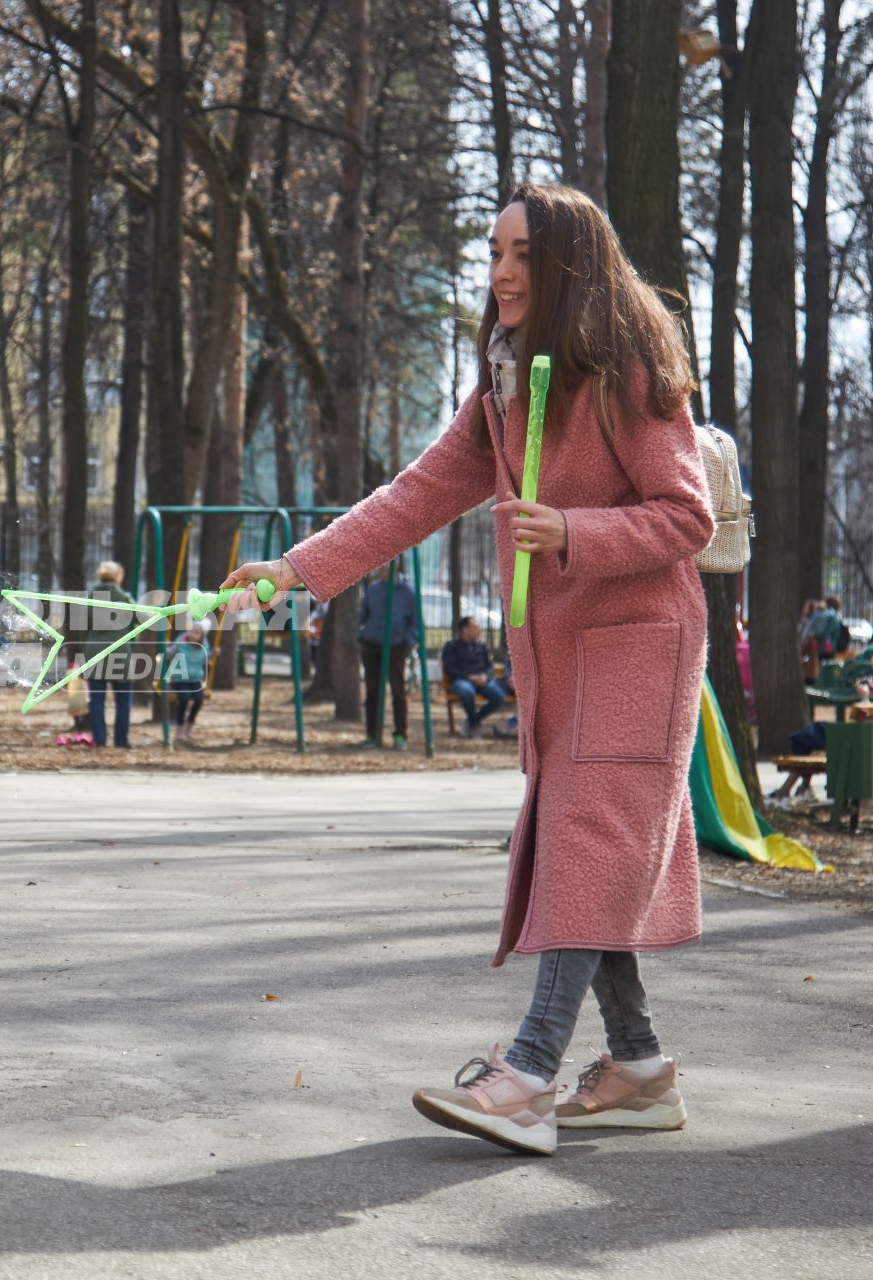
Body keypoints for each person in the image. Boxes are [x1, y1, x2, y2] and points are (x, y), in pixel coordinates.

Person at [226, 184, 714, 1156]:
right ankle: (641, 1068)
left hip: (637, 648)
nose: (500, 270)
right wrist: (297, 569)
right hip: (565, 656)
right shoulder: (503, 381)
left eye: (522, 252)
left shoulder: (626, 366)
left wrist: (571, 528)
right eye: (494, 250)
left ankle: (529, 1073)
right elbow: (414, 496)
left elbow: (687, 514)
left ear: (569, 262)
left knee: (582, 843)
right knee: (590, 852)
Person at [78, 560, 142, 748]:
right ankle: (121, 741)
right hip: (120, 651)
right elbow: (140, 620)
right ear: (118, 578)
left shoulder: (90, 598)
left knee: (97, 700)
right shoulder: (124, 598)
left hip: (94, 652)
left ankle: (100, 739)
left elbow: (82, 628)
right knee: (123, 700)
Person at [356, 568, 417, 748]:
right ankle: (372, 735)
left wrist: (408, 641)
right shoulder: (374, 589)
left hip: (396, 645)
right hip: (372, 643)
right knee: (372, 690)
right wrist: (360, 633)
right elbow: (363, 615)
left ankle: (400, 735)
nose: (383, 569)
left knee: (398, 690)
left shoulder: (407, 592)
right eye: (381, 566)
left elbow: (415, 622)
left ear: (397, 566)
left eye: (387, 565)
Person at [440, 615, 509, 738]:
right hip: (461, 681)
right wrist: (469, 677)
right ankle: (475, 725)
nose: (478, 630)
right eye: (475, 627)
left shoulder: (481, 646)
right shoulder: (452, 646)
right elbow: (450, 668)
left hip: (482, 682)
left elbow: (489, 667)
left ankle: (472, 720)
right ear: (464, 629)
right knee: (467, 692)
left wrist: (485, 677)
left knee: (499, 697)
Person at [163, 620, 211, 740]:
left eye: (196, 633)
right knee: (184, 698)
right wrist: (165, 647)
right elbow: (169, 655)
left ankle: (189, 725)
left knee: (199, 699)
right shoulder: (180, 643)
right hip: (180, 678)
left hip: (195, 679)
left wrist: (214, 653)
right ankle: (179, 728)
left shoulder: (204, 645)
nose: (192, 634)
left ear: (201, 636)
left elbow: (207, 657)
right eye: (191, 631)